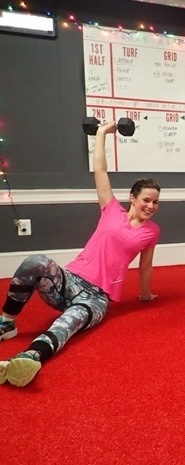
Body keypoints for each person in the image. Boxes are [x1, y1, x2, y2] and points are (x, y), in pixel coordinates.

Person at [0, 121, 161, 387]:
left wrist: (145, 294)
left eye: (156, 202)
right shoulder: (111, 209)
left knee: (68, 323)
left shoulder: (152, 231)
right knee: (36, 261)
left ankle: (30, 357)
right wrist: (102, 133)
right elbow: (100, 170)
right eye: (146, 200)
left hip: (97, 298)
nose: (151, 206)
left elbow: (145, 265)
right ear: (132, 198)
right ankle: (7, 323)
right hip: (70, 280)